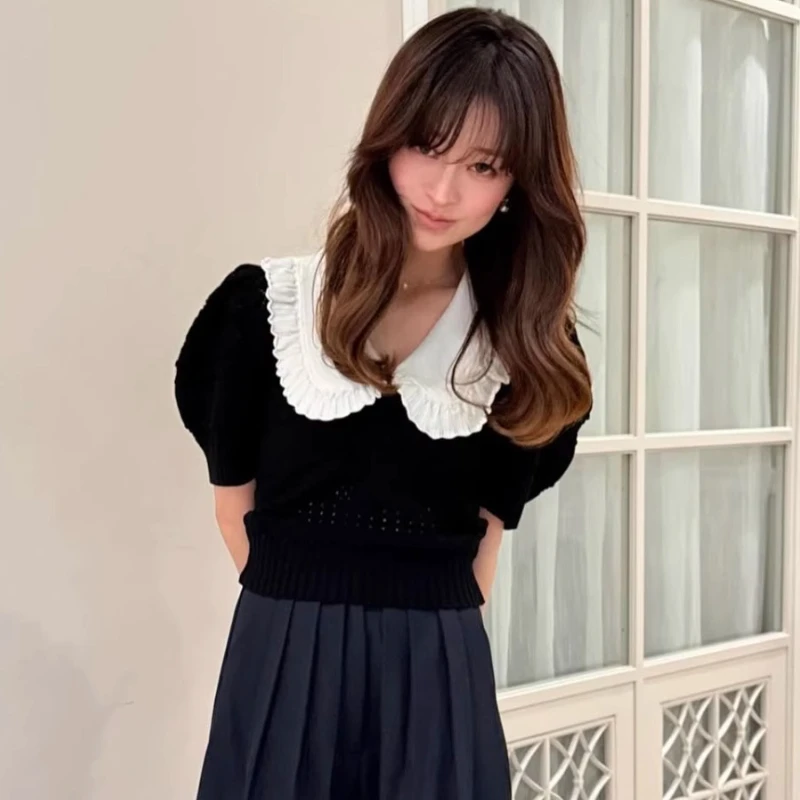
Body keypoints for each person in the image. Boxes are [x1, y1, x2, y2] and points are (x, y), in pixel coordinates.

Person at [174, 7, 592, 799]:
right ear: (386, 139)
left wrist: (420, 663)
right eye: (427, 146)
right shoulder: (267, 308)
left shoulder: (521, 345)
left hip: (437, 669)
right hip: (282, 648)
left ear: (518, 183)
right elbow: (235, 513)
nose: (443, 190)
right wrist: (305, 631)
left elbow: (484, 549)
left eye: (484, 165)